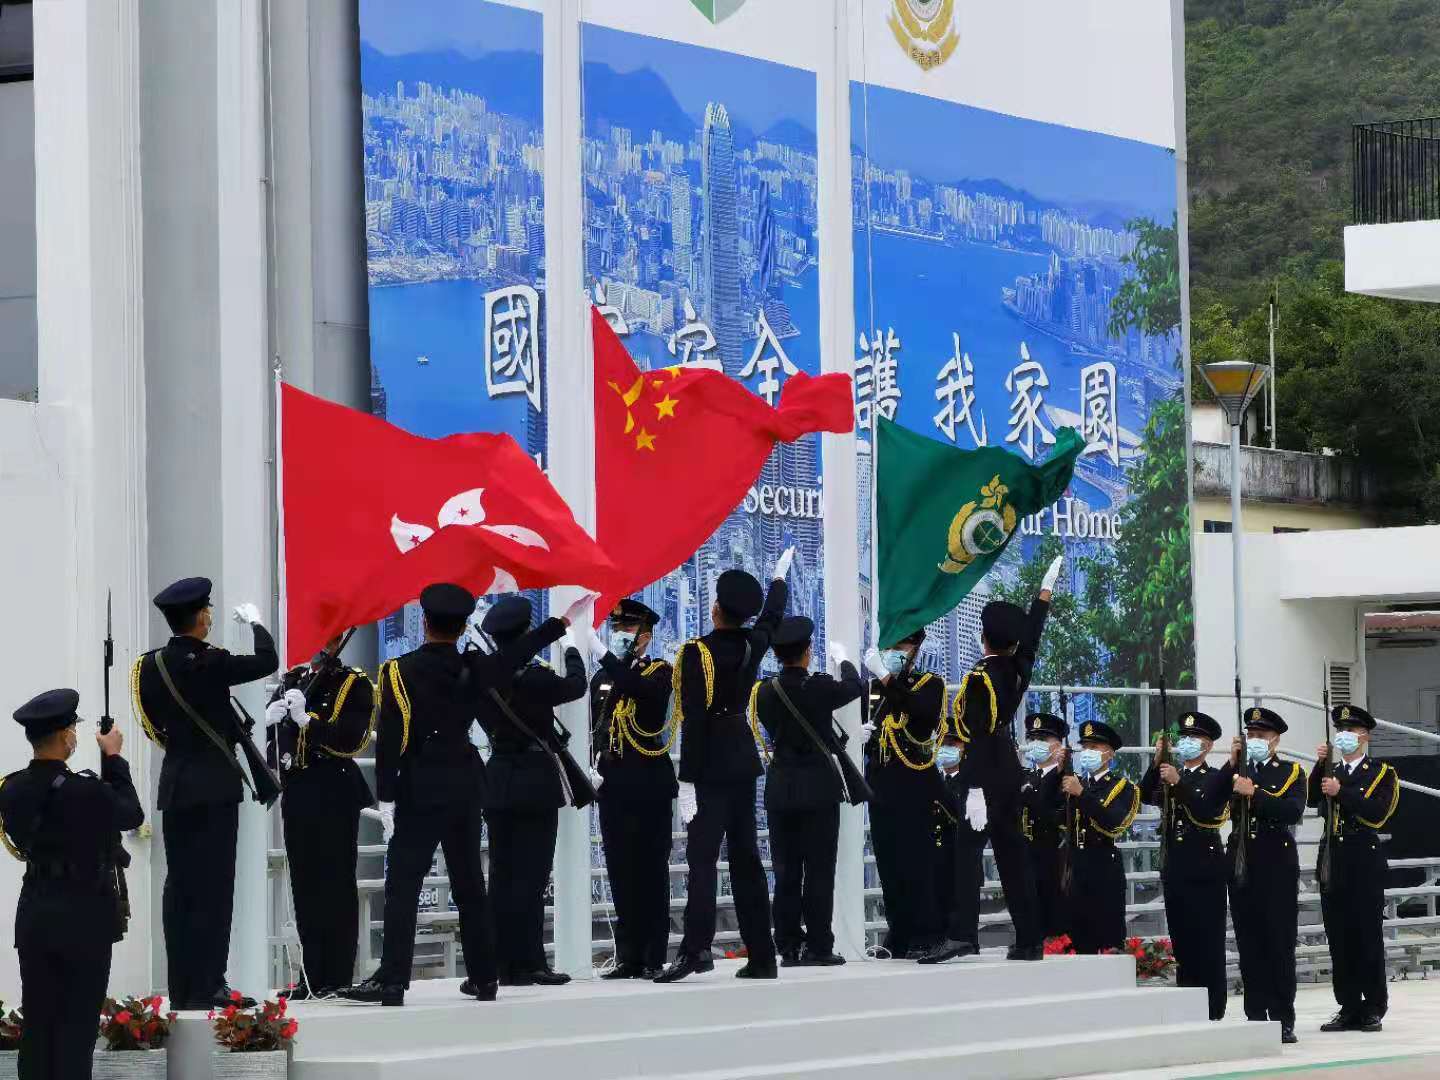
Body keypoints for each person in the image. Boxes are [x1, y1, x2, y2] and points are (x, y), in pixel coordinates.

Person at [339, 583, 596, 1007]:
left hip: (419, 785)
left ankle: (392, 980)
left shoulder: (398, 672)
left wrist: (385, 796)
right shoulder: (477, 669)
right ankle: (483, 977)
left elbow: (388, 741)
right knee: (471, 886)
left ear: (425, 622)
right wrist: (562, 623)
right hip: (465, 785)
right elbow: (516, 654)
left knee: (403, 886)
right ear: (461, 628)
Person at [131, 576, 278, 1010]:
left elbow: (153, 725)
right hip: (214, 787)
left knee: (180, 889)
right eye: (208, 610)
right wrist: (256, 624)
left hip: (175, 786)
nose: (211, 615)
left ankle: (183, 987)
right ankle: (211, 982)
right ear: (200, 617)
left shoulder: (148, 666)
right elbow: (266, 660)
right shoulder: (213, 662)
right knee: (214, 889)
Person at [655, 549, 792, 983]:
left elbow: (692, 717)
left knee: (701, 861)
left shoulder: (698, 653)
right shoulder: (752, 645)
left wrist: (687, 779)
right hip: (741, 758)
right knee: (747, 860)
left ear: (715, 608)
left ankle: (695, 949)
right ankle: (763, 955)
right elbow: (770, 620)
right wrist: (779, 582)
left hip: (709, 765)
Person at [926, 555, 1064, 964]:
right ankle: (1029, 939)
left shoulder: (979, 678)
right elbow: (1033, 639)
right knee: (1012, 855)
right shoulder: (1019, 669)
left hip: (983, 773)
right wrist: (1043, 595)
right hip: (1008, 769)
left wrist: (972, 787)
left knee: (966, 856)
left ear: (984, 638)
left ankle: (963, 933)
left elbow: (973, 732)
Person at [0, 690, 144, 1080]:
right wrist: (113, 757)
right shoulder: (86, 791)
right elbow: (131, 812)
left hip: (36, 917)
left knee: (39, 1026)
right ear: (65, 737)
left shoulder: (10, 789)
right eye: (72, 731)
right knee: (76, 1029)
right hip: (84, 919)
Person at [479, 593, 589, 987]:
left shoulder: (483, 676)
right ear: (526, 633)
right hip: (535, 783)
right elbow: (576, 686)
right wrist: (571, 645)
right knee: (532, 876)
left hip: (498, 780)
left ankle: (500, 963)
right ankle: (531, 962)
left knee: (502, 877)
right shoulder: (537, 678)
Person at [265, 632, 376, 999]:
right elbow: (274, 750)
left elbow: (352, 739)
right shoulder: (294, 680)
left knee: (336, 884)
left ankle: (338, 974)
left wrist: (307, 720)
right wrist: (272, 722)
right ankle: (312, 975)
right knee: (305, 885)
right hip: (298, 791)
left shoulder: (353, 683)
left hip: (333, 788)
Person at [753, 616, 863, 967]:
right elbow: (854, 686)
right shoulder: (818, 687)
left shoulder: (765, 692)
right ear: (807, 653)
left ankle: (787, 945)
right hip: (818, 788)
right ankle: (818, 945)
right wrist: (844, 659)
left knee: (785, 871)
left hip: (781, 788)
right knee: (818, 870)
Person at [586, 599, 675, 980]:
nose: (620, 634)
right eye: (617, 628)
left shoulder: (659, 672)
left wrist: (606, 658)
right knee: (620, 870)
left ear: (645, 636)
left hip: (650, 786)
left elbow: (644, 696)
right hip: (614, 785)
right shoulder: (601, 680)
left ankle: (654, 953)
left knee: (651, 871)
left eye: (627, 630)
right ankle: (629, 955)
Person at [1310, 704, 1400, 1034]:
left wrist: (1342, 792)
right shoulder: (1331, 770)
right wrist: (1321, 766)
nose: (1345, 736)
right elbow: (1310, 799)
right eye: (1341, 731)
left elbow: (1378, 813)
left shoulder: (1381, 772)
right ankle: (1348, 1005)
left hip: (1363, 856)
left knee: (1366, 934)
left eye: (1351, 731)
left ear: (1364, 736)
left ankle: (1374, 1005)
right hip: (1333, 856)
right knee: (1339, 936)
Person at [861, 627, 947, 960]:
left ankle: (926, 934)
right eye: (890, 646)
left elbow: (921, 715)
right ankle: (899, 933)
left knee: (917, 861)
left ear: (915, 648)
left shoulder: (929, 684)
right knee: (889, 861)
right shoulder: (873, 690)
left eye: (901, 645)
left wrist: (885, 678)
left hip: (914, 782)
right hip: (881, 784)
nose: (894, 652)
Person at [1142, 710, 1231, 1021]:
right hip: (1176, 868)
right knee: (1183, 941)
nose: (1188, 743)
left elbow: (1207, 809)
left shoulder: (1216, 777)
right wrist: (1157, 764)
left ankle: (1213, 1007)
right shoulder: (1172, 773)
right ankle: (1189, 1002)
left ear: (1207, 746)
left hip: (1205, 870)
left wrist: (1178, 782)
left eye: (1196, 738)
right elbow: (1146, 795)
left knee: (1207, 940)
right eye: (1186, 738)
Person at [1228, 707, 1305, 1044]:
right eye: (1251, 734)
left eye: (1261, 735)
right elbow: (1212, 803)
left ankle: (1282, 1016)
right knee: (1249, 941)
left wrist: (1254, 793)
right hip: (1243, 861)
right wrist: (1231, 765)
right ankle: (1255, 1012)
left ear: (1275, 739)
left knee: (1279, 940)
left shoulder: (1291, 771)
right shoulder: (1236, 771)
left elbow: (1292, 810)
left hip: (1276, 861)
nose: (1255, 740)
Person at [1060, 720, 1138, 954]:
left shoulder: (1123, 787)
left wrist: (1082, 794)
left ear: (1109, 753)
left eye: (1094, 748)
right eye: (1085, 748)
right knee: (1077, 940)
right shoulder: (1075, 783)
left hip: (1103, 868)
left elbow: (1114, 823)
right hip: (1075, 869)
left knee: (1106, 940)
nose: (1088, 753)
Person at [920, 731, 987, 962]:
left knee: (960, 913)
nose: (946, 748)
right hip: (935, 859)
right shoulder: (933, 780)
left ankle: (964, 944)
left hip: (961, 860)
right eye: (943, 743)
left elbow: (960, 815)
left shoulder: (971, 783)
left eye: (952, 743)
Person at [1019, 712, 1069, 942]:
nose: (1036, 744)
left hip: (1052, 858)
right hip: (1025, 856)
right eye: (1033, 739)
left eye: (1044, 739)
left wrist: (1058, 771)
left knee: (1053, 920)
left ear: (1058, 745)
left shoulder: (1066, 780)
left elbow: (1048, 811)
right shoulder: (1025, 776)